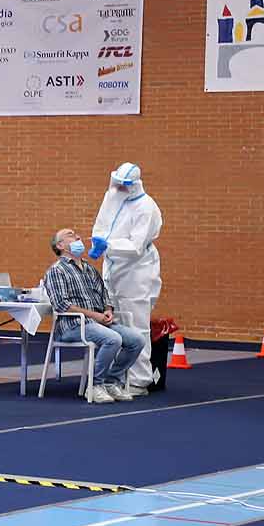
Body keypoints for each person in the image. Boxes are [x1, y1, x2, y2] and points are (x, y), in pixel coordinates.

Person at [43, 228, 144, 405]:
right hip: (73, 325)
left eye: (76, 235)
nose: (78, 237)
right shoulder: (56, 271)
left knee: (137, 340)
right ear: (60, 245)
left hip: (98, 322)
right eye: (70, 235)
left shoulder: (89, 268)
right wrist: (94, 316)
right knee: (113, 339)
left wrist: (107, 310)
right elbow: (62, 305)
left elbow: (104, 293)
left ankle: (111, 381)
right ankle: (95, 385)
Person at [89, 162, 163, 394]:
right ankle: (116, 377)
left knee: (136, 325)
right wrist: (99, 244)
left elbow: (136, 246)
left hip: (137, 270)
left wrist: (109, 245)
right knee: (114, 323)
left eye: (124, 185)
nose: (119, 188)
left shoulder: (146, 207)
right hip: (113, 267)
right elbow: (102, 224)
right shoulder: (113, 197)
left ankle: (140, 380)